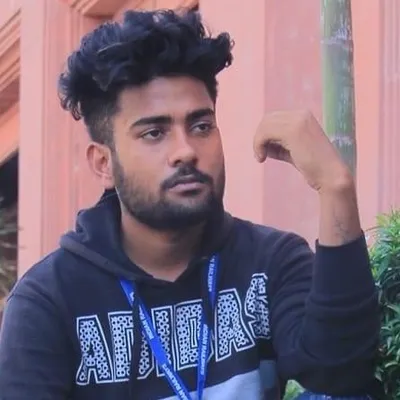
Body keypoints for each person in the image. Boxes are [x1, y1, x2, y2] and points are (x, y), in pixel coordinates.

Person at [0, 8, 380, 400]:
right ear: (103, 163)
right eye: (154, 133)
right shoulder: (50, 302)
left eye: (201, 126)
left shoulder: (271, 262)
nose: (185, 150)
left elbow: (342, 376)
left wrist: (335, 188)